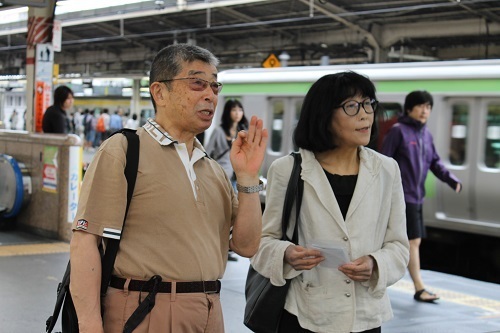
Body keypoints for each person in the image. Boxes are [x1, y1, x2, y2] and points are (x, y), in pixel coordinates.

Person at [69, 43, 268, 333]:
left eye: (215, 86)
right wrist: (89, 327)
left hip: (209, 311)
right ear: (159, 92)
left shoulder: (213, 170)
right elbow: (85, 243)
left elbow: (247, 246)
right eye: (197, 83)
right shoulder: (124, 150)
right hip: (144, 310)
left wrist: (248, 179)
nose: (210, 95)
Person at [250, 71, 410, 333]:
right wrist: (287, 254)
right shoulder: (288, 169)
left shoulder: (387, 170)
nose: (365, 114)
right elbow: (262, 243)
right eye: (351, 106)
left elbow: (399, 246)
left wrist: (375, 264)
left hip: (365, 318)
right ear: (324, 115)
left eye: (369, 103)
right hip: (303, 314)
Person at [381, 90, 462, 303]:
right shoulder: (398, 131)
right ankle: (419, 288)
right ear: (409, 109)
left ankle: (399, 283)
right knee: (412, 241)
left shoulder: (425, 135)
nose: (425, 110)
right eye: (421, 106)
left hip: (417, 197)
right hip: (400, 196)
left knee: (404, 241)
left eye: (428, 107)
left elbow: (435, 162)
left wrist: (451, 179)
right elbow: (384, 163)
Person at [205, 99, 249, 189]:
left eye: (240, 110)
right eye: (234, 110)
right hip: (220, 175)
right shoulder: (218, 131)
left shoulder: (243, 132)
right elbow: (206, 153)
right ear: (227, 112)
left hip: (237, 177)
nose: (237, 113)